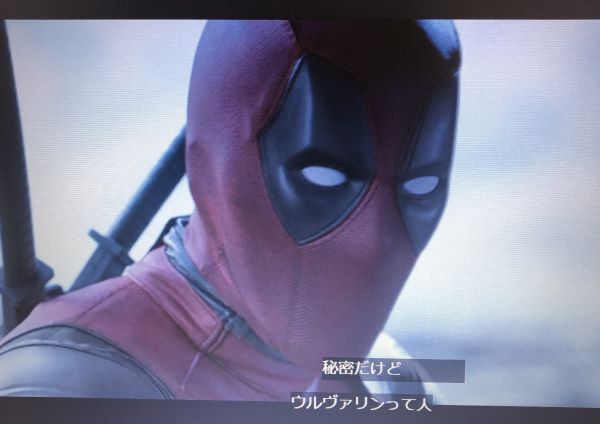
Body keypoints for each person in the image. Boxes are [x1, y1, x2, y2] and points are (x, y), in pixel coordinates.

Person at [0, 20, 460, 400]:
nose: (375, 240)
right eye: (324, 177)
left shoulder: (390, 379)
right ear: (217, 162)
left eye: (420, 186)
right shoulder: (63, 385)